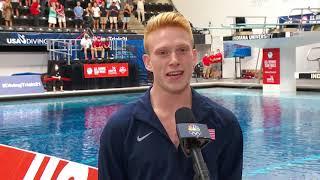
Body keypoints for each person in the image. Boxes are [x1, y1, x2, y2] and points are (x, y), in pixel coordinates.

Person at [98, 12, 243, 180]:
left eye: (182, 50)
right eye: (163, 52)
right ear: (148, 62)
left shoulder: (225, 124)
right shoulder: (119, 129)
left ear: (194, 56)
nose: (174, 60)